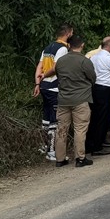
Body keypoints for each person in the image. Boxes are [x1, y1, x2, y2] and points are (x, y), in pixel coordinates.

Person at [52, 34, 95, 168]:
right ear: (82, 45)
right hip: (81, 99)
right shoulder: (84, 61)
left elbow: (58, 75)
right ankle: (80, 158)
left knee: (61, 128)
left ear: (69, 45)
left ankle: (60, 159)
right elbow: (92, 78)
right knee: (80, 129)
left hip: (63, 99)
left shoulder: (61, 61)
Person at [34, 22, 73, 161]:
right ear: (68, 33)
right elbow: (56, 67)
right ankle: (51, 151)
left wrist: (38, 83)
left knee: (46, 118)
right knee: (54, 120)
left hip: (44, 86)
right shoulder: (62, 49)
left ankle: (43, 146)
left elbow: (39, 67)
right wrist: (45, 76)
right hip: (54, 87)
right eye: (71, 32)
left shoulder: (48, 47)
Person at [85, 36, 110, 157]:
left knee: (95, 117)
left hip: (95, 88)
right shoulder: (109, 58)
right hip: (105, 89)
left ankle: (89, 144)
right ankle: (97, 146)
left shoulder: (94, 57)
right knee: (103, 117)